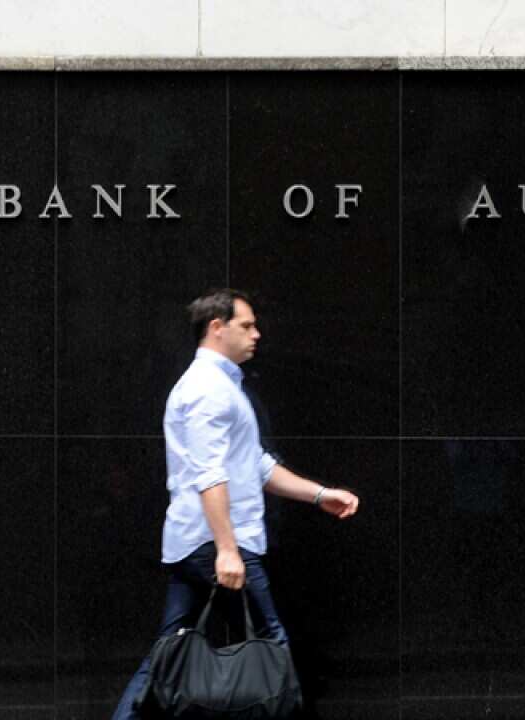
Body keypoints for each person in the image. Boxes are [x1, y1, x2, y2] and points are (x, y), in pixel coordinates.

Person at [112, 288, 360, 719]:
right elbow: (210, 473)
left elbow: (256, 467)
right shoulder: (209, 389)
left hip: (200, 541)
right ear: (216, 327)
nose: (257, 334)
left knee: (165, 656)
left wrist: (319, 495)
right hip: (220, 542)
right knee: (274, 650)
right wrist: (228, 549)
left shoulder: (222, 386)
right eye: (246, 325)